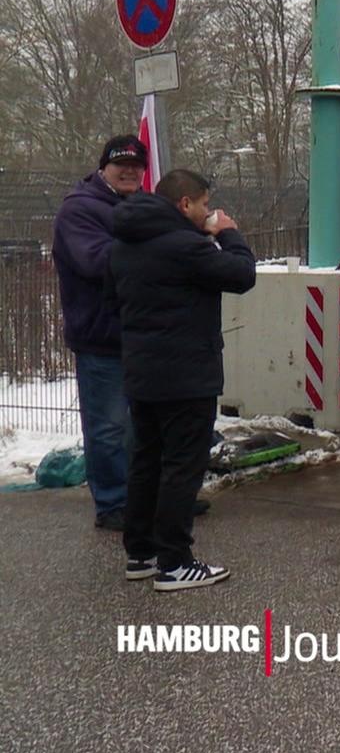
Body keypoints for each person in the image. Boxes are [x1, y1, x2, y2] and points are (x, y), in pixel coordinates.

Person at [109, 169, 256, 591]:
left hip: (142, 371)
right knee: (182, 466)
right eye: (205, 204)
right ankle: (175, 562)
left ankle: (141, 553)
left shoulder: (123, 244)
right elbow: (242, 275)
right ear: (185, 204)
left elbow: (110, 300)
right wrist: (228, 233)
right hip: (187, 374)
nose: (209, 211)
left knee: (146, 461)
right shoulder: (186, 246)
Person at [52, 135, 145, 531]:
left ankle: (150, 500)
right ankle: (112, 503)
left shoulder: (144, 207)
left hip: (145, 336)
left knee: (147, 425)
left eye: (136, 166)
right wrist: (157, 248)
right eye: (121, 165)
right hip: (101, 338)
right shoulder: (79, 210)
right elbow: (95, 261)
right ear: (103, 167)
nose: (129, 172)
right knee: (108, 428)